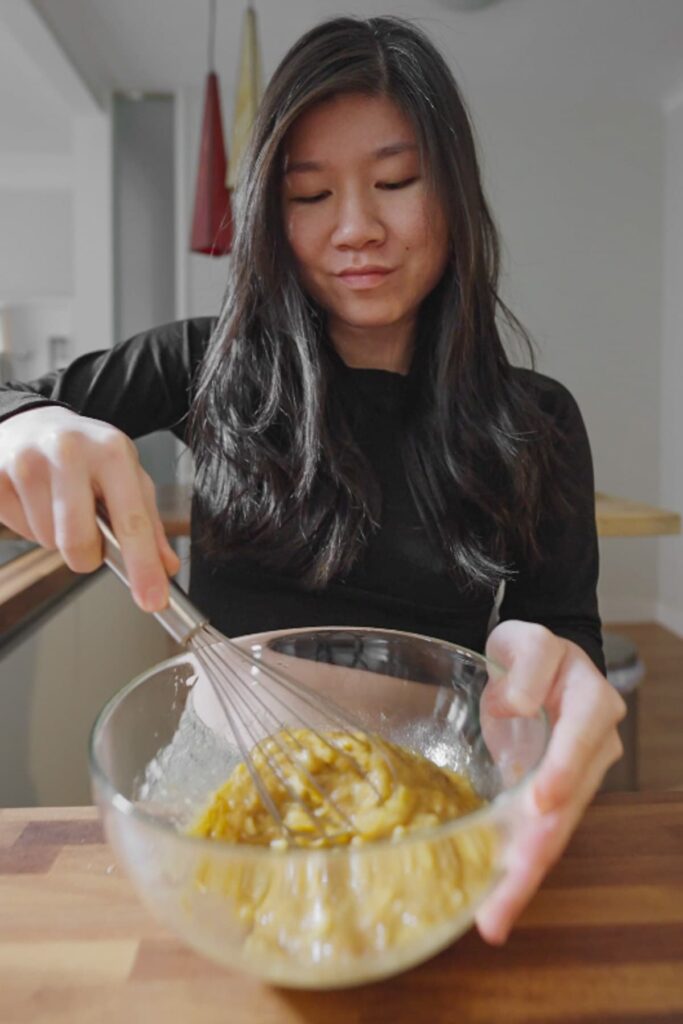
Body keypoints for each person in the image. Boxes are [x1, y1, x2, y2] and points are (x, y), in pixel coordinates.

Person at [0, 16, 624, 944]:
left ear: (453, 194)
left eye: (396, 183)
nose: (355, 228)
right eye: (308, 193)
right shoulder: (204, 364)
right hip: (220, 780)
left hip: (434, 787)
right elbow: (14, 401)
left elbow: (561, 631)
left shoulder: (536, 420)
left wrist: (553, 667)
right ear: (269, 216)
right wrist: (27, 425)